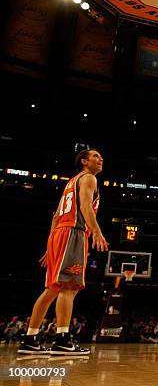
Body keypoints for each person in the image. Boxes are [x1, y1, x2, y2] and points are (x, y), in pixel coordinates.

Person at [18, 149, 109, 355]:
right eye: (95, 156)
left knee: (52, 289)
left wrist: (51, 244)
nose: (100, 159)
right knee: (69, 287)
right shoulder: (88, 178)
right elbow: (86, 207)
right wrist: (96, 231)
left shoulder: (71, 182)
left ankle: (30, 339)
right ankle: (62, 340)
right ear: (84, 162)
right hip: (73, 233)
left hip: (60, 234)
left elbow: (56, 216)